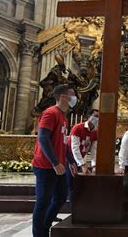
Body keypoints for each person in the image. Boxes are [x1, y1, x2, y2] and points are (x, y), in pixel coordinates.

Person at [31, 84, 77, 237]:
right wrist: (55, 162)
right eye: (72, 94)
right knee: (43, 202)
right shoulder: (50, 113)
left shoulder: (63, 117)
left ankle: (46, 226)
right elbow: (43, 138)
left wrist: (71, 161)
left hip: (59, 166)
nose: (75, 97)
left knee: (60, 196)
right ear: (63, 97)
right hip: (46, 165)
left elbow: (64, 142)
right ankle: (39, 234)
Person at [65, 110, 99, 206]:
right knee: (71, 185)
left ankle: (80, 210)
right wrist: (82, 164)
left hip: (80, 161)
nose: (97, 119)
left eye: (99, 117)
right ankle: (74, 212)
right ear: (89, 117)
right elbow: (74, 148)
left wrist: (94, 165)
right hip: (69, 159)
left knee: (79, 185)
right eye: (95, 116)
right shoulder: (78, 128)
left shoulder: (95, 132)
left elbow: (94, 150)